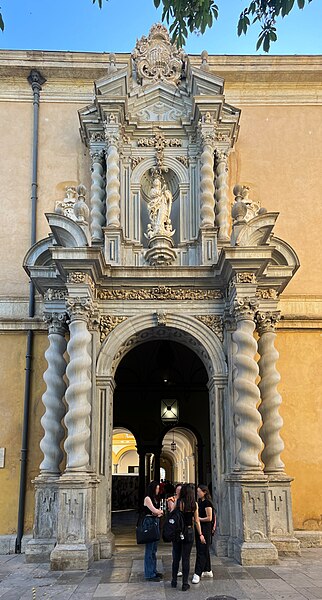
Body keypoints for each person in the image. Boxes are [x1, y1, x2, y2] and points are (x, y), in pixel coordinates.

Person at [171, 483, 205, 592]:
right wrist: (200, 534)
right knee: (186, 558)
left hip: (178, 532)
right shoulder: (194, 504)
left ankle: (174, 581)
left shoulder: (178, 502)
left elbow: (172, 515)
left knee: (176, 557)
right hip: (189, 531)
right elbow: (197, 521)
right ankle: (185, 584)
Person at [192, 484, 214, 584]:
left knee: (202, 551)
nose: (197, 493)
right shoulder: (200, 502)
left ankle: (197, 572)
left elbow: (210, 518)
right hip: (199, 528)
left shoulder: (207, 503)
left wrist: (198, 519)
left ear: (204, 492)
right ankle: (208, 570)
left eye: (199, 491)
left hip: (205, 529)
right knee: (203, 549)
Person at [143, 481, 164, 581]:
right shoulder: (147, 498)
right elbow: (155, 511)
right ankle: (149, 574)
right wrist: (158, 512)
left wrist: (158, 512)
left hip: (154, 522)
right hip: (149, 523)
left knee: (154, 549)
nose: (158, 490)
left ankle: (153, 571)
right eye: (157, 488)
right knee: (149, 549)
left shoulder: (154, 498)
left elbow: (157, 512)